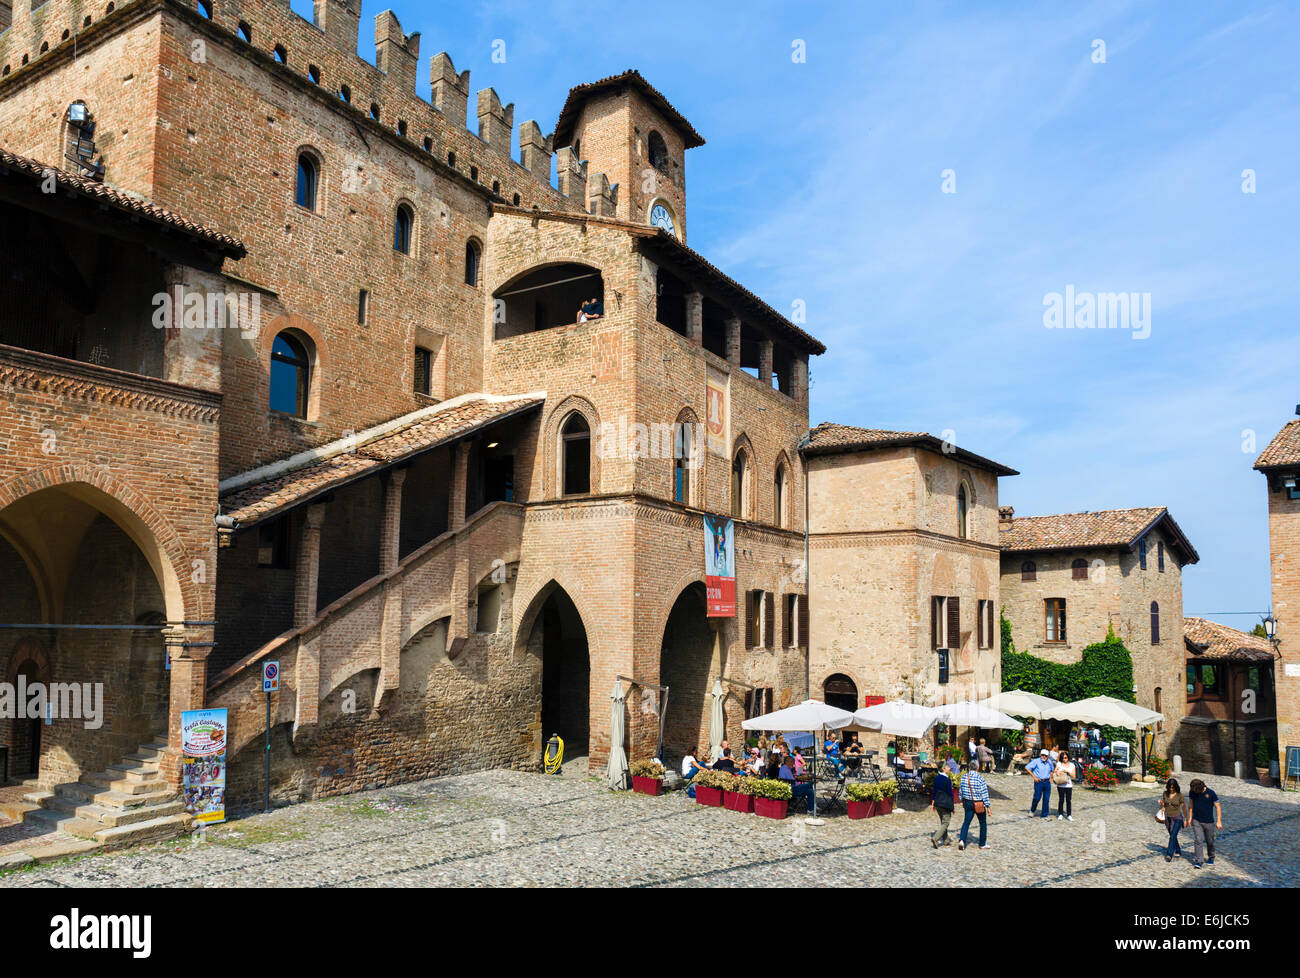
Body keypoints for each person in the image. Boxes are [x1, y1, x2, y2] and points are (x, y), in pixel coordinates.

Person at [1187, 779, 1222, 868]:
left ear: (1201, 787)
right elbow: (1190, 805)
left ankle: (1211, 856)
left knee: (1209, 841)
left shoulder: (1211, 793)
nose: (1195, 792)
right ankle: (1199, 861)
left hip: (1209, 821)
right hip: (1196, 820)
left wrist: (1219, 821)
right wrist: (1190, 817)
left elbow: (1218, 807)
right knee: (1198, 840)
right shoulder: (1192, 792)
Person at [957, 761, 991, 850]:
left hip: (968, 802)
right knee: (983, 823)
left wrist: (962, 799)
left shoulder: (964, 777)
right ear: (978, 767)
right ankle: (982, 844)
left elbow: (960, 791)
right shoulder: (980, 778)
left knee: (966, 822)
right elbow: (984, 793)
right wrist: (988, 806)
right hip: (979, 803)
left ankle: (962, 840)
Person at [1160, 777, 1188, 862]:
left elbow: (1184, 808)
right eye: (1170, 787)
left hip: (1177, 818)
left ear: (1176, 787)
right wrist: (1162, 805)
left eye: (1173, 787)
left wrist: (1186, 819)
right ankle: (1178, 850)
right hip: (1168, 817)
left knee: (1172, 836)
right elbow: (1164, 805)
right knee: (1173, 836)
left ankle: (1169, 854)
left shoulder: (1180, 795)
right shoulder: (1165, 793)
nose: (1171, 789)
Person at [931, 763, 955, 848]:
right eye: (948, 767)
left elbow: (934, 791)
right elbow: (950, 794)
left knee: (943, 822)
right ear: (944, 769)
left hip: (937, 803)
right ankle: (935, 838)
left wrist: (933, 801)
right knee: (946, 822)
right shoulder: (947, 780)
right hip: (945, 804)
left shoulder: (936, 778)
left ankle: (946, 840)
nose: (950, 769)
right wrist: (953, 807)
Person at [1026, 748, 1054, 819]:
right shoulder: (1036, 761)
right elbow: (1027, 768)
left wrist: (1051, 777)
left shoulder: (1049, 762)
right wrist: (1034, 777)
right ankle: (1032, 810)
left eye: (1046, 755)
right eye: (1043, 755)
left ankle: (1044, 815)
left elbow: (1052, 769)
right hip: (1039, 782)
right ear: (1040, 755)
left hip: (1047, 782)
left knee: (1046, 799)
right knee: (1037, 797)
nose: (1044, 757)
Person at [1053, 750, 1077, 821]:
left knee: (1068, 800)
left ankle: (1069, 814)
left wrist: (1067, 771)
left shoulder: (1072, 765)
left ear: (1068, 758)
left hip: (1069, 785)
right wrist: (1057, 772)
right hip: (1061, 785)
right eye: (1063, 758)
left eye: (1066, 757)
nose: (1064, 759)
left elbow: (1074, 776)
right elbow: (1054, 771)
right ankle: (1060, 813)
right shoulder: (1059, 764)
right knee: (1061, 799)